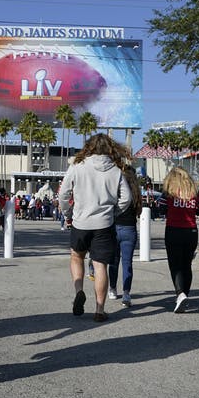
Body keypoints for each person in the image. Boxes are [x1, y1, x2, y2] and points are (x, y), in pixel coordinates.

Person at [58, 133, 131, 322]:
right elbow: (127, 199)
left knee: (76, 257)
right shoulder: (116, 171)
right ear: (110, 149)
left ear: (89, 148)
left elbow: (63, 194)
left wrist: (68, 214)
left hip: (80, 222)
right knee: (100, 266)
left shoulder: (77, 167)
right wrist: (114, 212)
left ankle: (79, 290)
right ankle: (99, 309)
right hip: (104, 224)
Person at [160, 167, 199, 312]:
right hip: (191, 231)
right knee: (187, 265)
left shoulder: (168, 192)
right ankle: (184, 295)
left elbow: (161, 209)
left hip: (174, 230)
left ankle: (180, 294)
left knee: (175, 265)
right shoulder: (194, 192)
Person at [108, 164, 143, 307]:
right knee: (128, 263)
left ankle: (112, 289)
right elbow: (139, 212)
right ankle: (127, 293)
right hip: (130, 229)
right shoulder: (136, 192)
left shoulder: (117, 189)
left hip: (115, 227)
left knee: (114, 261)